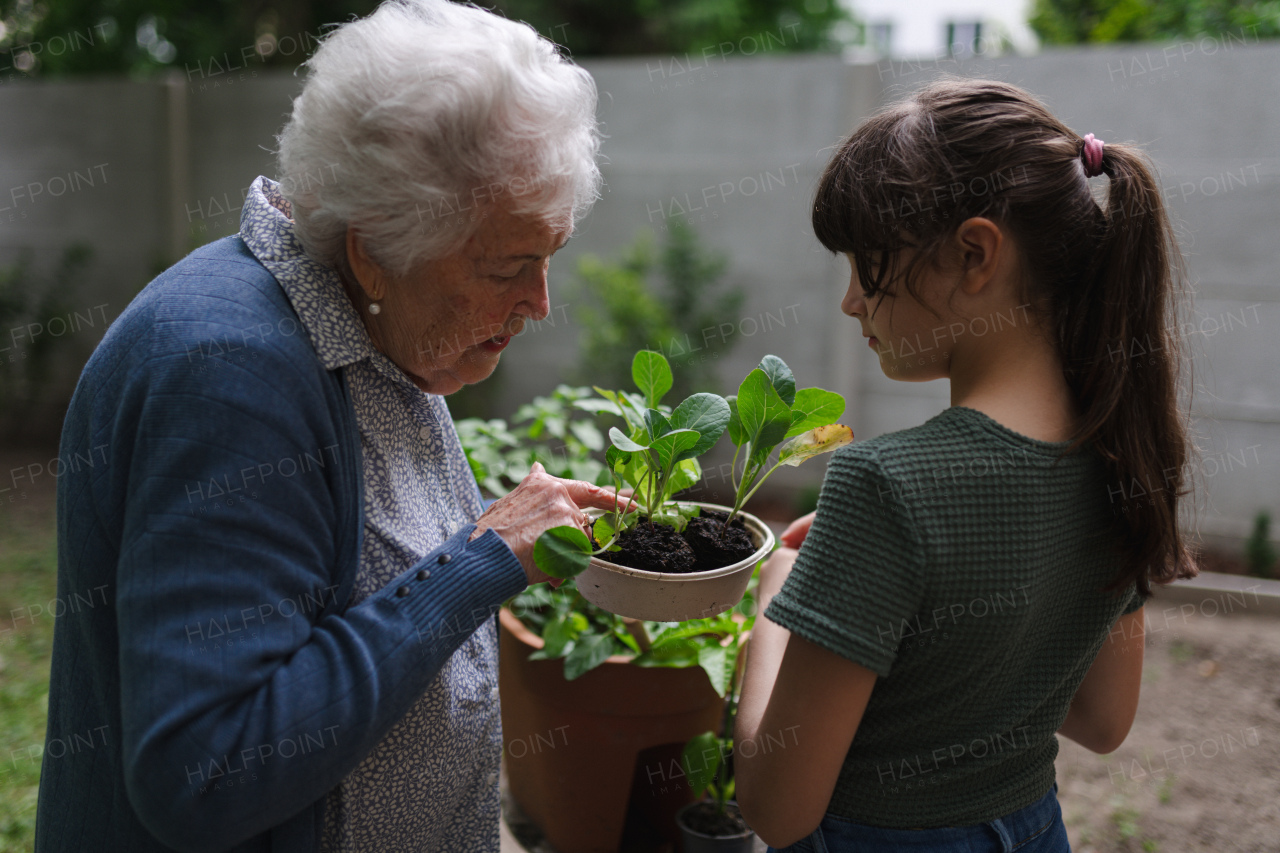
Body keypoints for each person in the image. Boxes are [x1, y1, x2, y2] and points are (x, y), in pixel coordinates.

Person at [34, 2, 615, 851]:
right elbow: (205, 770)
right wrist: (477, 563)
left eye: (549, 255)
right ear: (374, 246)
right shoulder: (228, 376)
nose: (540, 301)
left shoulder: (373, 321)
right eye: (508, 267)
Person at [732, 78, 1199, 852]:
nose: (850, 301)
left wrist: (775, 610)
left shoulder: (883, 486)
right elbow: (1103, 721)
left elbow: (778, 809)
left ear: (975, 253)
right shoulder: (1123, 453)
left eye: (866, 263)